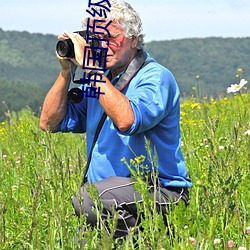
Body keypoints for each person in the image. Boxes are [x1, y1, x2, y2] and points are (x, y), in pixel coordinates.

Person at [40, 0, 192, 244]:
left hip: (159, 192)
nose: (101, 45)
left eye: (110, 37)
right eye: (95, 38)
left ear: (133, 39)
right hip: (110, 199)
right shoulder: (100, 81)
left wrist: (91, 69)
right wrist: (66, 71)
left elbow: (127, 120)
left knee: (88, 199)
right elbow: (49, 123)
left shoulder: (154, 77)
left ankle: (147, 241)